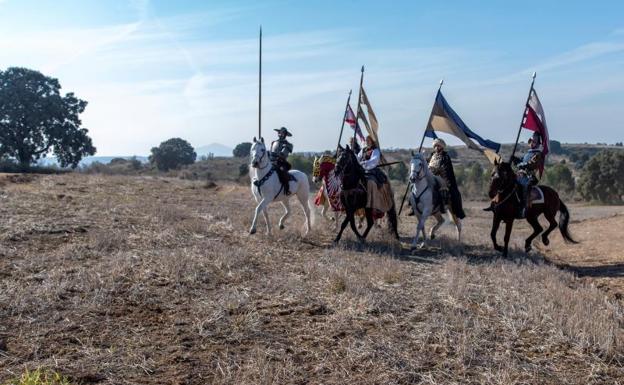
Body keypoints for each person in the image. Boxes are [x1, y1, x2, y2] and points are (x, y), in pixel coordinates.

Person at [428, 138, 466, 219]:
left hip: (442, 178)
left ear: (442, 147)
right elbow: (427, 163)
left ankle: (449, 208)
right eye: (435, 146)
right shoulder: (432, 155)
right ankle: (414, 206)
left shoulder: (445, 156)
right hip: (430, 177)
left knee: (453, 193)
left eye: (438, 146)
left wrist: (437, 170)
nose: (437, 148)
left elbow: (445, 168)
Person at [514, 132, 544, 218]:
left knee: (526, 188)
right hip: (521, 175)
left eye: (534, 142)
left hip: (531, 177)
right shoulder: (528, 153)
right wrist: (515, 159)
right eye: (531, 141)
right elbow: (521, 161)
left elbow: (532, 164)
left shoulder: (538, 154)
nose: (532, 143)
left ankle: (525, 208)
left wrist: (523, 165)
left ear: (538, 143)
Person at [269, 126, 294, 195]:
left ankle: (287, 189)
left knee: (283, 172)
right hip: (271, 161)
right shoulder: (274, 142)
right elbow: (271, 152)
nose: (280, 134)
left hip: (281, 162)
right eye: (279, 132)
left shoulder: (288, 144)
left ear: (285, 135)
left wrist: (280, 156)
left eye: (282, 133)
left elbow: (284, 154)